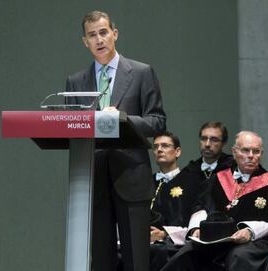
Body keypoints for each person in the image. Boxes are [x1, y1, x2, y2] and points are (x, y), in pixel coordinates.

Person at [65, 10, 166, 271]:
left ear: (115, 34)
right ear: (84, 42)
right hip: (93, 178)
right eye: (92, 35)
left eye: (103, 32)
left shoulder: (142, 73)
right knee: (100, 260)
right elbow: (70, 128)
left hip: (131, 175)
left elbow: (157, 121)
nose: (99, 39)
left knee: (136, 261)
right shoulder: (75, 82)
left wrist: (123, 119)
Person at [161, 131, 268, 271]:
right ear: (234, 152)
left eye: (256, 151)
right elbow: (201, 205)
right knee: (186, 254)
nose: (251, 156)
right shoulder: (217, 179)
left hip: (252, 242)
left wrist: (249, 231)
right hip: (213, 239)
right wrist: (196, 228)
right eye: (245, 150)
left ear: (261, 154)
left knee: (239, 256)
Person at [149, 131, 204, 270]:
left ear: (178, 152)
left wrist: (164, 234)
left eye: (165, 146)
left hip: (175, 245)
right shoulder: (145, 182)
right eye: (156, 147)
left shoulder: (192, 182)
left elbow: (196, 218)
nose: (159, 150)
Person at [183, 121, 234, 188]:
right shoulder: (191, 169)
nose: (207, 144)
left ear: (224, 143)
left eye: (214, 140)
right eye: (203, 139)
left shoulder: (232, 167)